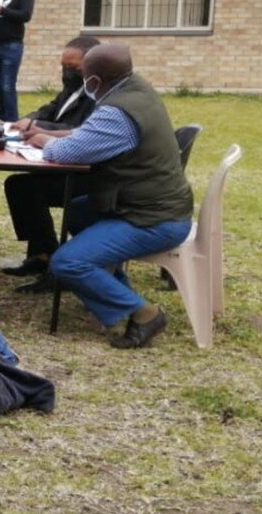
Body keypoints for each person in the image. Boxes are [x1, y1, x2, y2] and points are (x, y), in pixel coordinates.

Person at [27, 44, 193, 349]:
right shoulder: (137, 89)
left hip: (153, 218)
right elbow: (90, 135)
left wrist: (44, 141)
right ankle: (110, 285)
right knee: (77, 212)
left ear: (94, 81)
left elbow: (68, 152)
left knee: (66, 263)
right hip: (149, 204)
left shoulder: (118, 111)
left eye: (84, 75)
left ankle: (144, 313)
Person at [1, 35, 101, 291]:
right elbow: (50, 109)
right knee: (19, 184)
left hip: (90, 177)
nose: (67, 73)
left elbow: (78, 130)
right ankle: (41, 254)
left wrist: (38, 127)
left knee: (29, 189)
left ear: (91, 67)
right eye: (64, 67)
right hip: (65, 164)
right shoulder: (71, 89)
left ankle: (53, 262)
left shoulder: (97, 96)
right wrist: (29, 119)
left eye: (74, 69)